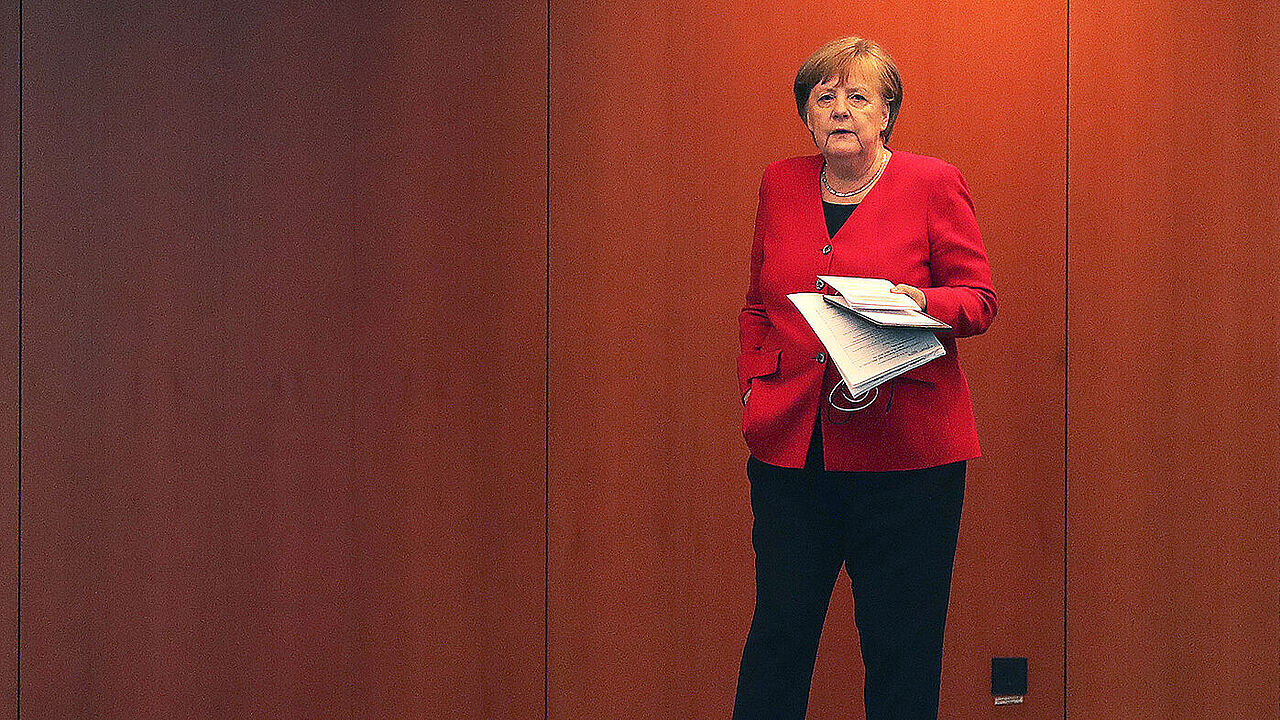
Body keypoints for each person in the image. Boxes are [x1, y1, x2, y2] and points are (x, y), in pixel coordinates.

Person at [732, 37, 997, 720]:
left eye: (858, 96)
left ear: (887, 113)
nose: (841, 110)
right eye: (825, 97)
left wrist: (921, 302)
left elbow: (978, 300)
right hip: (794, 451)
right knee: (779, 634)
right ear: (806, 114)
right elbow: (759, 304)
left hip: (909, 459)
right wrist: (754, 385)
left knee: (901, 647)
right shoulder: (780, 182)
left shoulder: (933, 182)